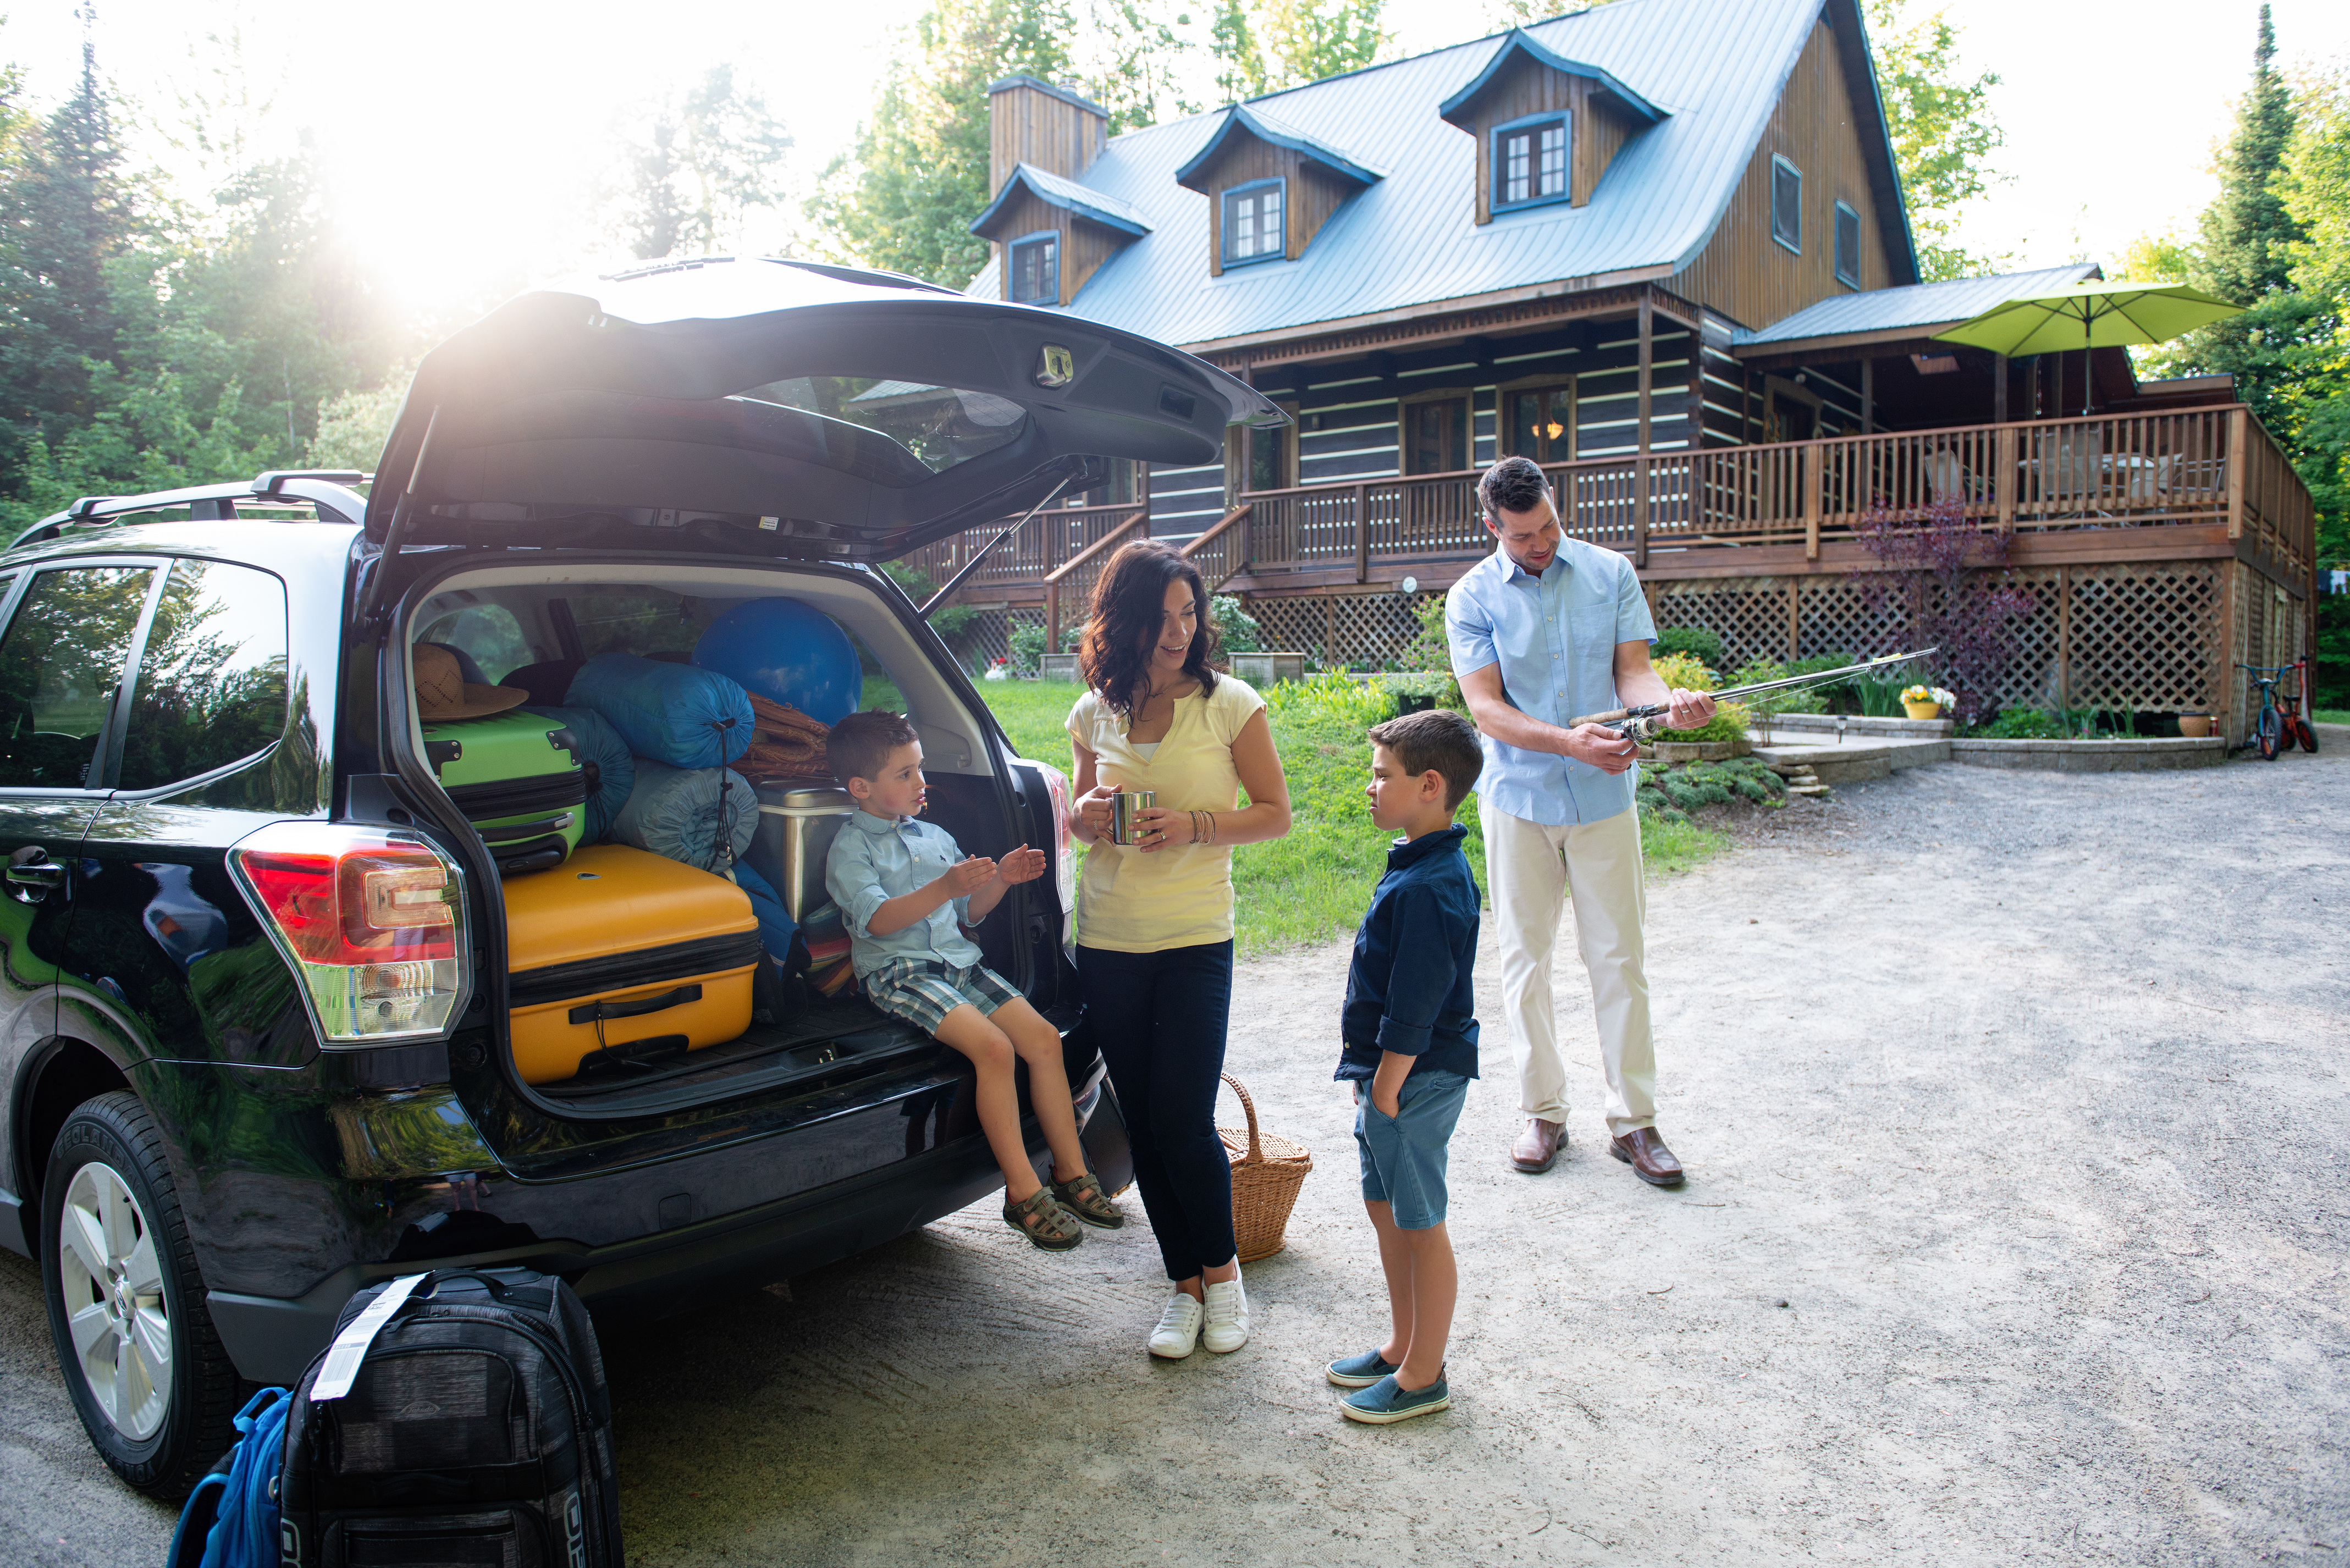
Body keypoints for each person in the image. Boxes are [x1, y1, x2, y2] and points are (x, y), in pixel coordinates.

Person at [1444, 456, 1717, 1186]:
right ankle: (1543, 1113)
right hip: (1516, 801)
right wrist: (1568, 740)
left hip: (1604, 800)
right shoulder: (1470, 596)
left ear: (1555, 505)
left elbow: (1633, 676)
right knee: (1523, 963)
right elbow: (1486, 709)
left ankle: (1634, 1122)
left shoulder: (1610, 572)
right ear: (1491, 526)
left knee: (1619, 958)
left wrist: (1665, 705)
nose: (1541, 544)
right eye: (1523, 535)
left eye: (1548, 526)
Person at [1066, 541, 1294, 1359]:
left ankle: (1224, 1276)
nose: (1177, 631)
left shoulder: (1230, 703)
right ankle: (1182, 1286)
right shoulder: (1094, 710)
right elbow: (1078, 813)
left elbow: (1275, 813)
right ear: (1122, 622)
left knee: (1185, 1119)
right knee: (1147, 1127)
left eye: (1188, 614)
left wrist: (1195, 826)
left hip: (1196, 935)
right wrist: (1085, 816)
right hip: (1110, 934)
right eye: (1160, 617)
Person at [825, 709, 1124, 1250]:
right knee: (993, 1049)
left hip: (959, 963)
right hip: (901, 970)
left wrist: (1001, 879)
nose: (921, 782)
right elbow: (879, 920)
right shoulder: (851, 848)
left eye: (919, 769)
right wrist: (943, 887)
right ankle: (1022, 1189)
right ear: (860, 787)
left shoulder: (935, 836)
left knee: (1041, 1041)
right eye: (904, 774)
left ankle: (1071, 1170)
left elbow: (969, 912)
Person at [1326, 708, 1484, 1426]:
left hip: (1411, 1079)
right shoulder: (1416, 861)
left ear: (1428, 785)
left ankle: (1425, 1374)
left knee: (1419, 1219)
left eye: (1380, 775)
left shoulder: (1433, 884)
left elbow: (1416, 1002)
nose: (1369, 786)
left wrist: (1385, 1086)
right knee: (1384, 1205)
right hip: (1385, 1076)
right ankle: (1401, 1344)